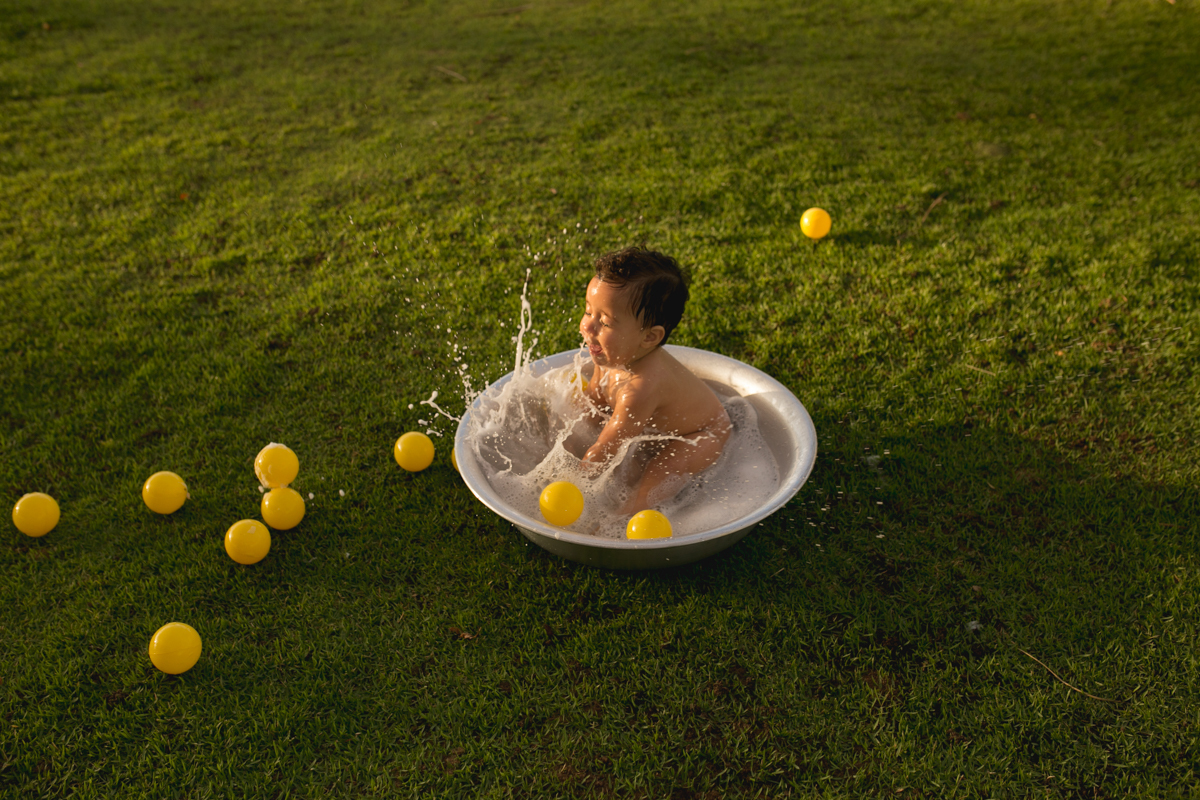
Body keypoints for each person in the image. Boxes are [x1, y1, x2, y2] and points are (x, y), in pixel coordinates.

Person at [577, 246, 732, 515]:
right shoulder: (610, 356)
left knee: (663, 469)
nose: (589, 327)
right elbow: (593, 403)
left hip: (703, 435)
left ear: (649, 337)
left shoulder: (640, 388)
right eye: (589, 312)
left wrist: (572, 478)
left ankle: (625, 517)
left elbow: (606, 448)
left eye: (606, 322)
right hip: (660, 429)